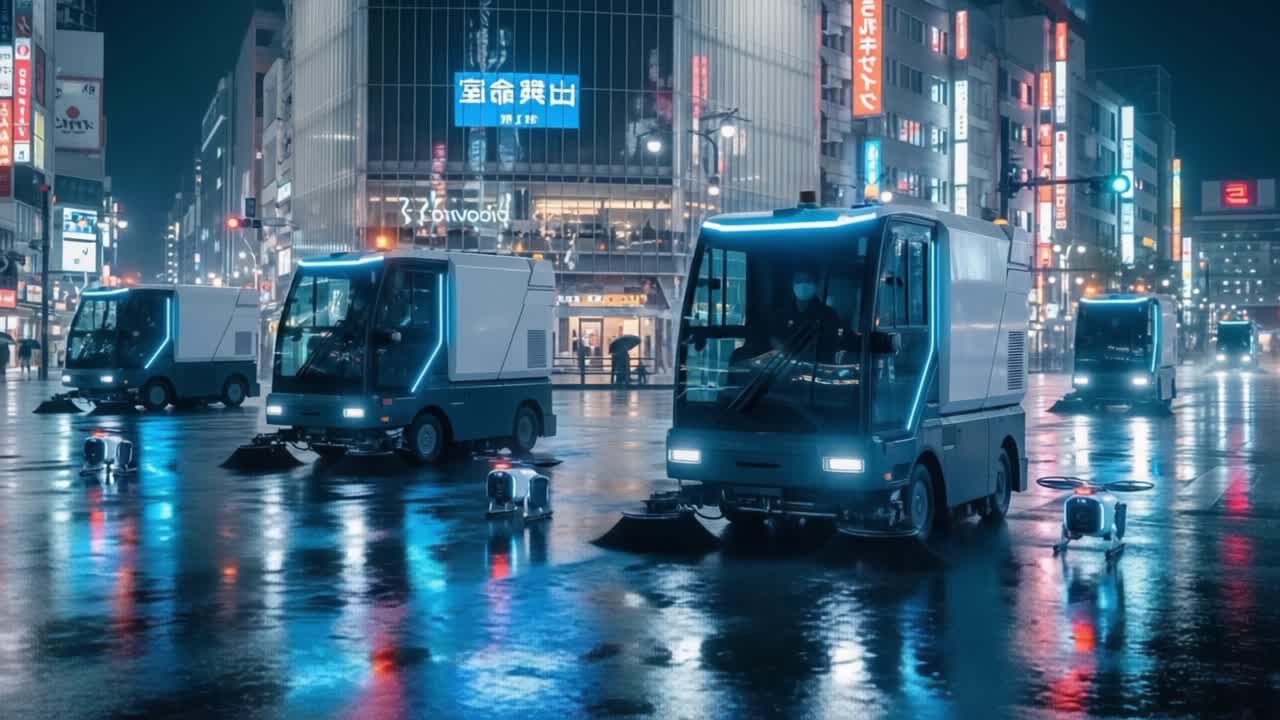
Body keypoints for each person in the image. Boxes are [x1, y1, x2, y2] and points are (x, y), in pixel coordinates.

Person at [771, 270, 841, 362]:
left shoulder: (828, 314)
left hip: (815, 371)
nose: (803, 285)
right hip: (783, 369)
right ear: (793, 284)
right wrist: (782, 350)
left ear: (816, 284)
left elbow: (830, 347)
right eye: (799, 281)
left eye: (808, 281)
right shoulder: (781, 313)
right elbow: (774, 337)